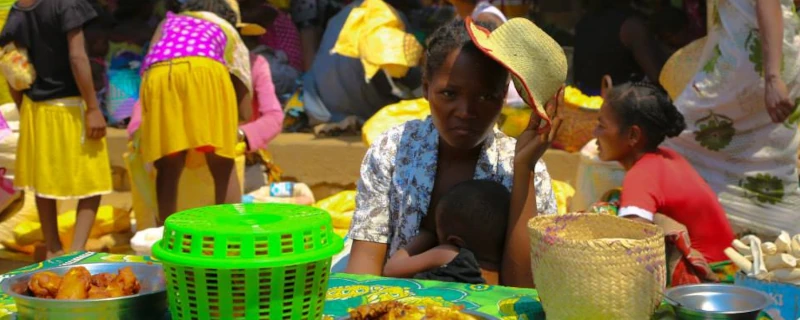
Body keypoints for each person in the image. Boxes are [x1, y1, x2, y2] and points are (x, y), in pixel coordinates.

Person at [345, 18, 565, 288]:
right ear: (426, 89)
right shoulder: (393, 151)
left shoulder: (521, 166)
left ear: (503, 96)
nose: (465, 111)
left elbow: (526, 290)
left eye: (485, 97)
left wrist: (524, 169)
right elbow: (364, 267)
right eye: (449, 94)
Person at [663, 0, 800, 235]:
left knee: (668, 145)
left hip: (747, 68)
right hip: (764, 59)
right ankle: (779, 234)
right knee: (765, 152)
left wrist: (772, 77)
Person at [0, 0, 111, 258]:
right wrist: (93, 108)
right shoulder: (67, 4)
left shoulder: (20, 8)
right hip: (71, 106)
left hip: (36, 109)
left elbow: (11, 62)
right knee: (94, 183)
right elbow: (77, 56)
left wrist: (23, 107)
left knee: (43, 184)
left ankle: (53, 247)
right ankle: (76, 251)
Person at [139, 0, 259, 224]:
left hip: (158, 76)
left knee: (168, 164)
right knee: (222, 162)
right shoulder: (228, 30)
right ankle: (231, 233)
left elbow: (148, 61)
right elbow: (244, 102)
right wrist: (227, 124)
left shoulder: (169, 21)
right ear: (231, 19)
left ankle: (166, 235)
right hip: (205, 71)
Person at [593, 82, 735, 262]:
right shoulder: (667, 158)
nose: (594, 133)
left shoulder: (642, 174)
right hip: (728, 266)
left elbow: (632, 242)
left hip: (709, 276)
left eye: (601, 126)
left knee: (605, 213)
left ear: (633, 135)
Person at [301, 0, 423, 131]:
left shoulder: (337, 18)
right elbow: (404, 74)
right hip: (366, 107)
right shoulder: (388, 15)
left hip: (325, 110)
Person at [383, 180, 510, 285]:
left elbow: (391, 270)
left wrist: (427, 234)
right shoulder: (507, 270)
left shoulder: (450, 254)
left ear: (455, 241)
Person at [573, 0, 665, 95]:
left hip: (583, 98)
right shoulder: (632, 25)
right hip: (616, 102)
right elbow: (658, 77)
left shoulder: (585, 20)